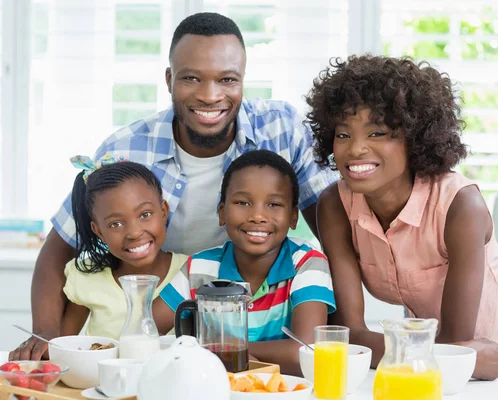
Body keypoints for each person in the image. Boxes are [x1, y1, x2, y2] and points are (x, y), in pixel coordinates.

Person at [12, 12, 337, 360]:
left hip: (263, 312)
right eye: (192, 78)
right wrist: (46, 331)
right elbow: (59, 247)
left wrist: (341, 330)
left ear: (242, 79)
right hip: (175, 299)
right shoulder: (125, 150)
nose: (210, 96)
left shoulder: (281, 129)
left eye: (227, 79)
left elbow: (334, 225)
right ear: (169, 79)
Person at [306, 55, 498, 380]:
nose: (356, 149)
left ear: (415, 137)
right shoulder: (335, 204)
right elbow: (349, 336)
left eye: (377, 133)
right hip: (439, 351)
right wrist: (432, 353)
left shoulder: (460, 206)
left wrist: (423, 353)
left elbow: (456, 348)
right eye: (344, 134)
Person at [157, 150, 335, 375]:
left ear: (293, 217)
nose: (258, 216)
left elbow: (303, 353)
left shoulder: (307, 263)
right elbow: (148, 332)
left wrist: (222, 351)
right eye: (243, 202)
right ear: (222, 213)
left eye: (274, 204)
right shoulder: (199, 268)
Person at [53, 156, 187, 340]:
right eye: (116, 224)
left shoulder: (190, 272)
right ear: (99, 231)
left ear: (163, 212)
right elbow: (62, 348)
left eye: (145, 214)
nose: (134, 233)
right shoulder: (87, 277)